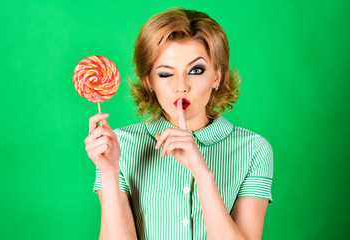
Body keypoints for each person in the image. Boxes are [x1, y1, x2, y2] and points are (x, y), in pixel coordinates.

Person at [84, 7, 274, 240]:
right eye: (165, 73)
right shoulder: (120, 145)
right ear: (149, 81)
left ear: (217, 76)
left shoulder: (255, 150)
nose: (181, 86)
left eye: (196, 70)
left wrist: (202, 174)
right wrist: (108, 172)